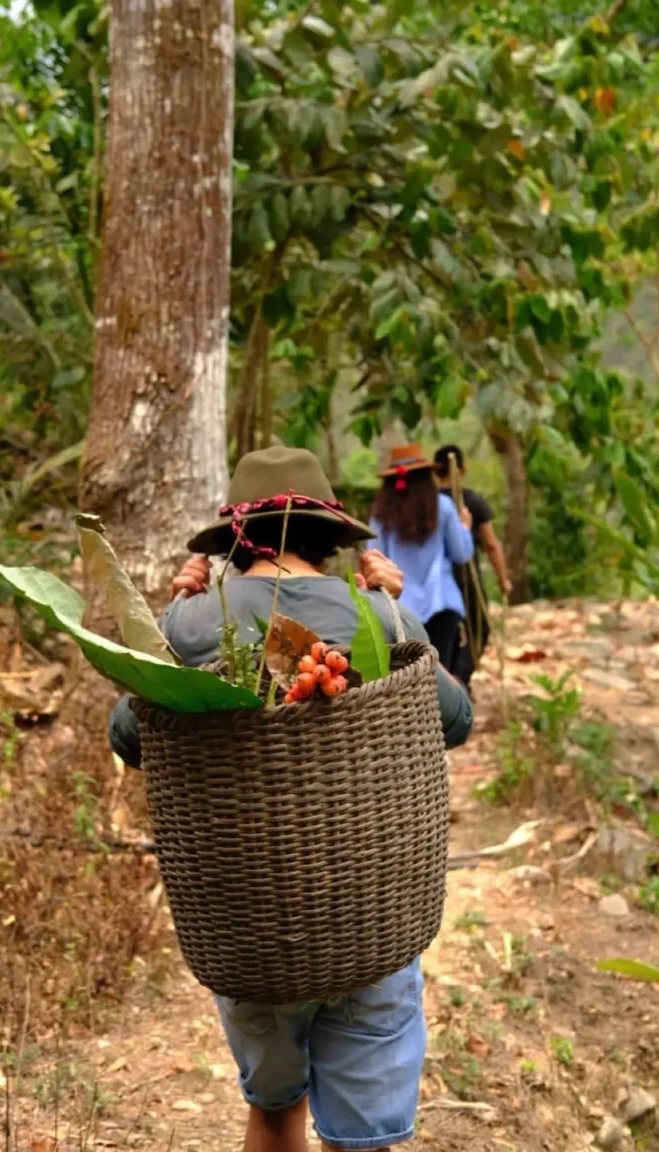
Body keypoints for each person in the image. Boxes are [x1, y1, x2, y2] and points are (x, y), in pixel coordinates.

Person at [108, 446, 473, 1152]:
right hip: (374, 915)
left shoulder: (188, 625)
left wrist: (172, 621)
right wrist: (392, 613)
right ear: (329, 539)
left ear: (233, 545)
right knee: (361, 1143)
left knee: (275, 1114)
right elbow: (454, 721)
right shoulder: (374, 615)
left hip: (249, 928)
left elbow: (130, 735)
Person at [368, 444, 474, 676]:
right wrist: (465, 528)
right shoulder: (443, 508)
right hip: (442, 604)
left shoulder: (381, 514)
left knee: (408, 677)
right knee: (441, 674)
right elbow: (461, 554)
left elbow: (374, 558)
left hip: (399, 608)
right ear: (426, 477)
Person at [433, 444, 512, 688]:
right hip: (466, 576)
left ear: (436, 472)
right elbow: (491, 544)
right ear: (463, 470)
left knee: (448, 635)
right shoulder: (472, 502)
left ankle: (453, 683)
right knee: (478, 631)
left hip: (438, 584)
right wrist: (504, 579)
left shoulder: (428, 504)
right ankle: (458, 680)